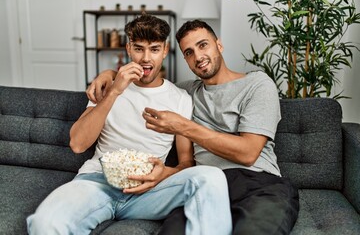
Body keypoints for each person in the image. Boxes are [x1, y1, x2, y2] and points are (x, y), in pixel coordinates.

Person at [88, 19, 300, 235]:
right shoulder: (185, 92)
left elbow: (248, 153)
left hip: (257, 184)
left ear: (219, 45)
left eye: (203, 45)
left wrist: (183, 126)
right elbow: (146, 80)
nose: (198, 57)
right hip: (200, 188)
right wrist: (109, 75)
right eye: (188, 52)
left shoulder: (257, 84)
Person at [26, 15, 232, 235]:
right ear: (128, 49)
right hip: (98, 182)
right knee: (44, 223)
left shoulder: (181, 98)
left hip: (150, 191)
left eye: (154, 49)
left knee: (210, 177)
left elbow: (186, 162)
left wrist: (163, 174)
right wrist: (114, 90)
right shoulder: (106, 88)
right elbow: (77, 143)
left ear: (165, 50)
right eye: (138, 49)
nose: (145, 58)